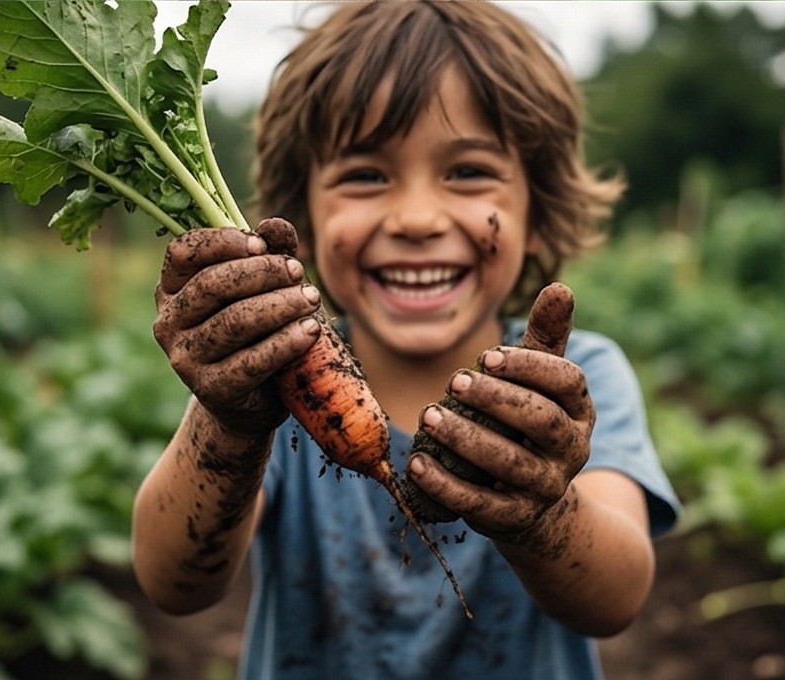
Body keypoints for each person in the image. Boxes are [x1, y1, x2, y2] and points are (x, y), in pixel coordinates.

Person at [131, 2, 680, 678]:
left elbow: (616, 600)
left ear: (538, 212)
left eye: (468, 171)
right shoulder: (268, 392)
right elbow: (174, 584)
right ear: (301, 212)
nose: (417, 218)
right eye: (365, 176)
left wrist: (540, 515)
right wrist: (229, 430)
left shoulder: (580, 377)